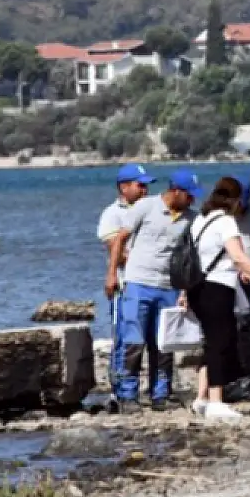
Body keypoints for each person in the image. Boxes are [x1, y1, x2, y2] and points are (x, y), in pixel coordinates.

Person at [103, 168, 202, 413]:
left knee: (163, 344)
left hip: (169, 286)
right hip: (138, 282)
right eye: (189, 195)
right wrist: (112, 274)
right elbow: (119, 240)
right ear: (176, 191)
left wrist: (186, 290)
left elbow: (193, 255)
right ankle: (128, 394)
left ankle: (161, 393)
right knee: (134, 340)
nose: (193, 200)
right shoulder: (145, 207)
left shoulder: (192, 218)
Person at [186, 177, 250, 420]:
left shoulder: (200, 220)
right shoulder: (226, 222)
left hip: (197, 287)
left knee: (211, 342)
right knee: (222, 343)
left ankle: (201, 397)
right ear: (236, 200)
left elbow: (202, 257)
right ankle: (216, 402)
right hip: (218, 288)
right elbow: (239, 257)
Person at [96, 164, 156, 389]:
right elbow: (116, 250)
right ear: (124, 187)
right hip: (126, 285)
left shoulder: (150, 210)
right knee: (125, 339)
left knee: (155, 338)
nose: (145, 191)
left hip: (151, 283)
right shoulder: (112, 214)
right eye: (140, 186)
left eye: (146, 186)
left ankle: (157, 390)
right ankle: (120, 389)